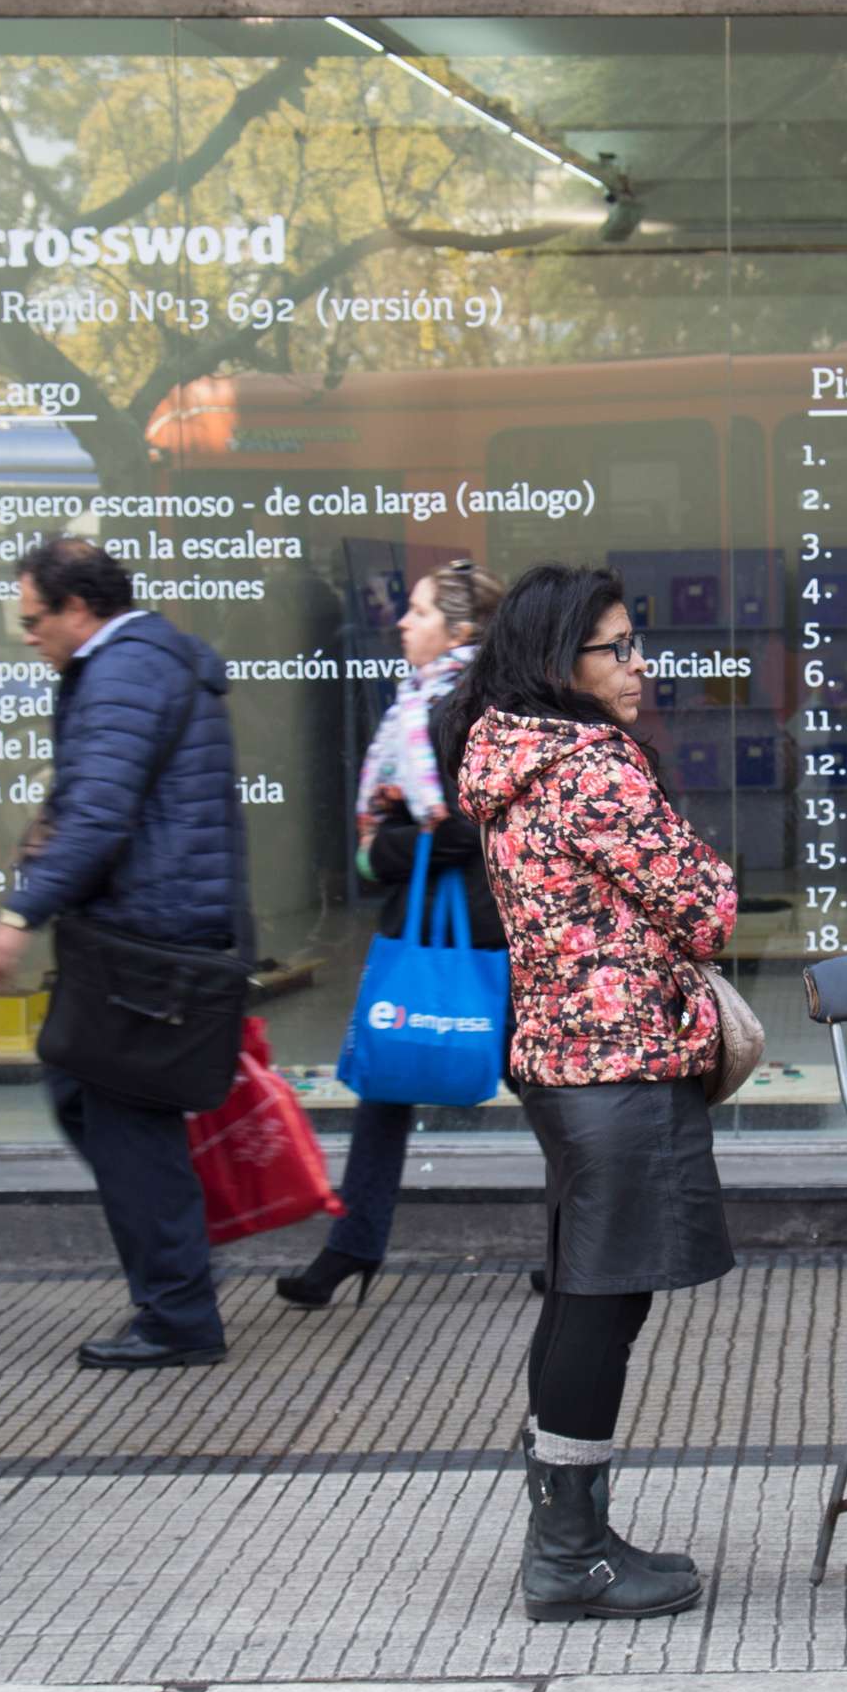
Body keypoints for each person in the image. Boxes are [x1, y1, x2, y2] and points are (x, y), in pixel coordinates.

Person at [441, 566, 732, 1621]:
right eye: (617, 646)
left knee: (585, 1295)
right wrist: (703, 870)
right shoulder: (594, 769)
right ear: (564, 662)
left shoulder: (510, 761)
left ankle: (574, 1531)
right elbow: (705, 910)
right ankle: (567, 1553)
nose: (638, 662)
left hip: (564, 1064)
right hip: (618, 1068)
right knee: (599, 1306)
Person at [0, 534, 248, 1370]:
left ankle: (177, 1314)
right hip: (147, 926)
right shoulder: (139, 664)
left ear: (78, 609)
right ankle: (175, 1279)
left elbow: (102, 814)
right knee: (91, 1098)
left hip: (146, 935)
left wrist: (19, 914)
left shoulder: (125, 670)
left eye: (34, 619)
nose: (29, 636)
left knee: (124, 1119)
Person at [281, 558, 505, 1309]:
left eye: (418, 611)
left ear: (461, 630)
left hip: (476, 926)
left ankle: (587, 1242)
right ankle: (352, 1246)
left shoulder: (478, 706)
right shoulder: (417, 702)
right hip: (424, 921)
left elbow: (471, 827)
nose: (402, 622)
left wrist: (381, 849)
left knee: (543, 1091)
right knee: (386, 1076)